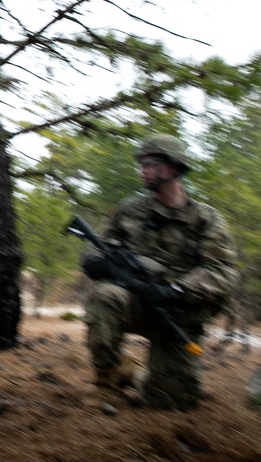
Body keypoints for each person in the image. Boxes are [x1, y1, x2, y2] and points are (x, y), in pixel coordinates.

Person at [80, 134, 237, 411]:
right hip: (135, 303)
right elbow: (99, 247)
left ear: (174, 168)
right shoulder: (129, 211)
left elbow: (222, 270)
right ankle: (106, 383)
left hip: (179, 313)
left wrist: (177, 290)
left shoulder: (207, 219)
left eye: (151, 163)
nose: (143, 169)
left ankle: (132, 373)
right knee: (105, 297)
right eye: (141, 164)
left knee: (171, 403)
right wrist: (96, 262)